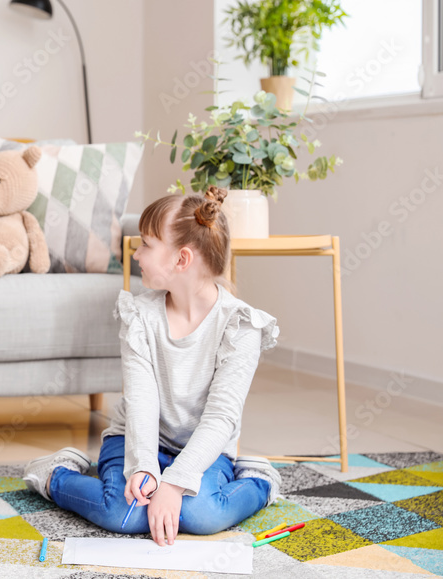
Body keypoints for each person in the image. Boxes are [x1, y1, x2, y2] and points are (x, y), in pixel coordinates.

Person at [22, 186, 282, 546]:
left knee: (201, 514)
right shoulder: (140, 316)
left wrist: (174, 484)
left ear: (181, 260)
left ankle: (258, 481)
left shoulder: (241, 326)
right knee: (124, 514)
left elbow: (221, 418)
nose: (137, 253)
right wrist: (144, 468)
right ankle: (57, 476)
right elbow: (142, 402)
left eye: (146, 244)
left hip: (203, 448)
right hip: (137, 439)